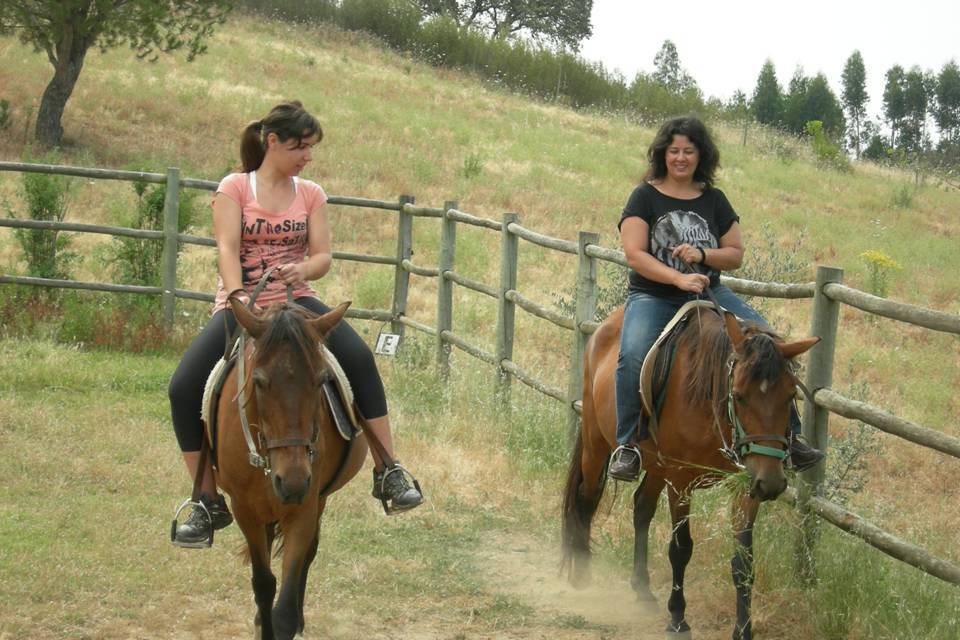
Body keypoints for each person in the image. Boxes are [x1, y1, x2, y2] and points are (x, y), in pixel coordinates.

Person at [169, 101, 423, 545]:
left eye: (310, 148)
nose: (307, 156)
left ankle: (389, 469)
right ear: (272, 142)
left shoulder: (311, 194)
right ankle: (205, 499)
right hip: (242, 306)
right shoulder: (234, 188)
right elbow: (227, 249)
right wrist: (238, 295)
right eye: (300, 147)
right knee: (183, 386)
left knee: (361, 358)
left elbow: (323, 256)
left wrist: (303, 271)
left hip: (297, 301)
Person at [607, 116, 824, 482]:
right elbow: (635, 254)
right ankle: (627, 444)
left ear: (700, 155)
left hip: (711, 291)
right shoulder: (644, 195)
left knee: (767, 345)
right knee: (632, 354)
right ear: (663, 154)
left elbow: (735, 254)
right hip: (654, 294)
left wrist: (704, 257)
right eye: (673, 150)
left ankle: (791, 437)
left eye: (688, 151)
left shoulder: (714, 199)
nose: (680, 158)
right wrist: (677, 277)